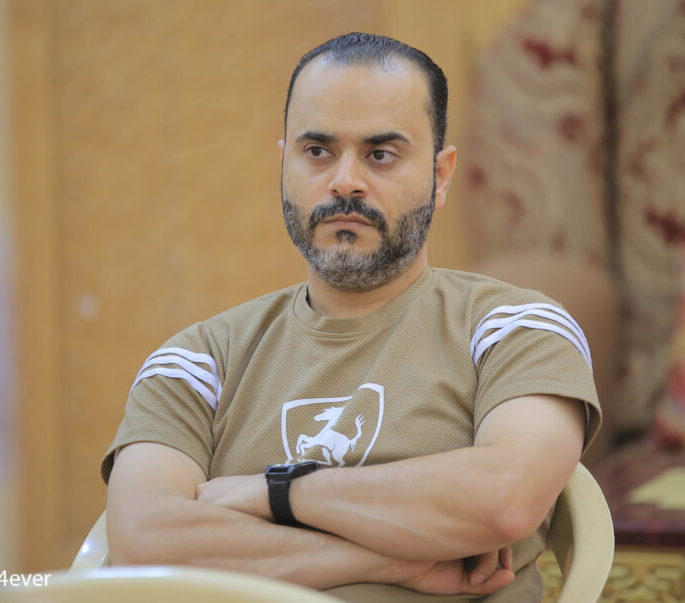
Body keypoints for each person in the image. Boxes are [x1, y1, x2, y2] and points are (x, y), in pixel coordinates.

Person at [102, 32, 601, 602]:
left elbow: (503, 499)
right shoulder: (199, 361)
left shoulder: (513, 328)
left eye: (380, 154)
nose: (345, 181)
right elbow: (144, 543)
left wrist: (274, 493)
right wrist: (391, 559)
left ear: (440, 176)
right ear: (284, 164)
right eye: (317, 151)